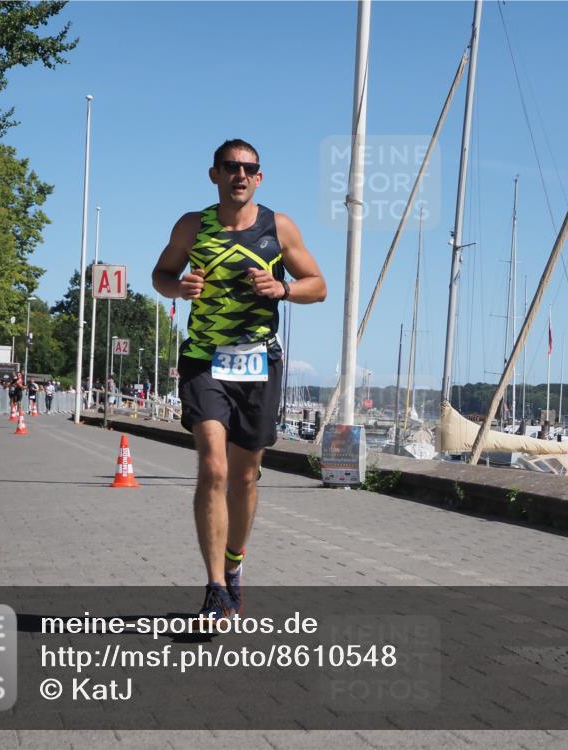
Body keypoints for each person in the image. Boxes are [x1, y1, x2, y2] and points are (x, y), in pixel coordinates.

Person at [152, 138, 326, 624]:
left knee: (245, 474)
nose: (240, 175)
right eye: (231, 167)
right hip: (205, 360)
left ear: (259, 177)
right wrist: (178, 286)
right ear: (215, 174)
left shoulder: (278, 226)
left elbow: (319, 286)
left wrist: (283, 288)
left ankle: (233, 566)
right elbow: (161, 274)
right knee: (214, 467)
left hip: (257, 365)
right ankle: (212, 588)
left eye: (250, 168)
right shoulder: (193, 225)